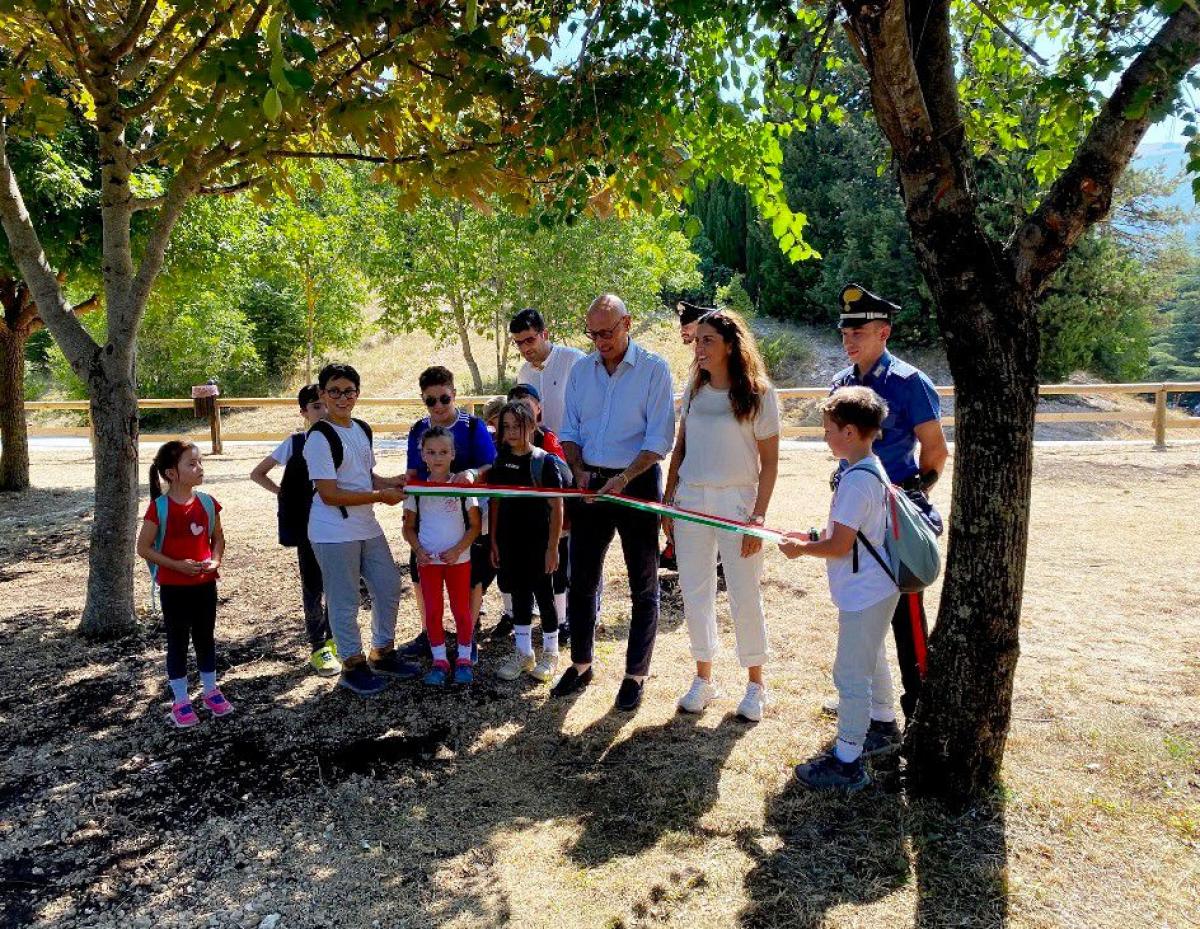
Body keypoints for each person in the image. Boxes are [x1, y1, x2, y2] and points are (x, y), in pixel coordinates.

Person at [828, 284, 948, 730]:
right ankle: (870, 701)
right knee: (862, 606)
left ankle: (918, 707)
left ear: (884, 332)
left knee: (906, 617)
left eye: (858, 330)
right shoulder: (842, 384)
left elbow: (935, 450)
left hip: (895, 515)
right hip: (853, 511)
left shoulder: (908, 382)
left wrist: (916, 497)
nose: (849, 339)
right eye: (845, 332)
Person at [553, 294, 675, 710]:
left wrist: (623, 478)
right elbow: (567, 428)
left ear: (628, 323)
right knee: (582, 579)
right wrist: (579, 468)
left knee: (644, 583)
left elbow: (660, 440)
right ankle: (582, 664)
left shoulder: (655, 370)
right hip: (589, 484)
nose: (599, 341)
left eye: (607, 332)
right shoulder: (581, 371)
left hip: (637, 484)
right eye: (593, 334)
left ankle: (635, 675)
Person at [779, 387, 901, 791]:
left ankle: (847, 761)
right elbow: (851, 532)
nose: (825, 436)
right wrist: (811, 534)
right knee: (872, 657)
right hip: (877, 588)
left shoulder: (855, 482)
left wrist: (802, 550)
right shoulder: (868, 468)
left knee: (850, 674)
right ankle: (883, 720)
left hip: (866, 592)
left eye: (829, 429)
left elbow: (840, 545)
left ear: (849, 431)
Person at [662, 310, 779, 722]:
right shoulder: (693, 390)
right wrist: (668, 499)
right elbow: (680, 449)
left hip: (737, 504)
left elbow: (770, 464)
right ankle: (703, 678)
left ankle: (755, 685)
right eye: (697, 340)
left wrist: (758, 519)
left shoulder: (760, 394)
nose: (700, 347)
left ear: (731, 344)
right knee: (695, 592)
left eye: (708, 340)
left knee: (745, 593)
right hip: (691, 500)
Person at [304, 362, 415, 697]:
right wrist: (382, 496)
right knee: (344, 599)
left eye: (349, 391)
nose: (342, 397)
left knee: (388, 585)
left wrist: (390, 482)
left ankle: (382, 651)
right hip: (332, 531)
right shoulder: (319, 437)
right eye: (334, 391)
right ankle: (352, 665)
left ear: (357, 394)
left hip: (365, 525)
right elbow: (329, 492)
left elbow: (364, 476)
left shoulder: (361, 429)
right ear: (322, 394)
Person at [400, 366, 497, 658]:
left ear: (453, 394)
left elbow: (490, 466)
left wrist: (470, 473)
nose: (438, 406)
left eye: (444, 398)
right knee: (422, 574)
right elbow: (413, 472)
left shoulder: (472, 426)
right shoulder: (418, 429)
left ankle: (469, 636)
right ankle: (431, 635)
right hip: (428, 517)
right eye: (431, 400)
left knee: (471, 576)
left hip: (469, 513)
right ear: (423, 400)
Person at [137, 441, 232, 728]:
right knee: (177, 642)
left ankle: (211, 691)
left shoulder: (207, 502)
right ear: (171, 473)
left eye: (200, 462)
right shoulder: (159, 508)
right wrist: (177, 566)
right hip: (174, 588)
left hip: (205, 584)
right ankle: (180, 701)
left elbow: (218, 540)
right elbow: (143, 548)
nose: (199, 468)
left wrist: (215, 561)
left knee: (206, 638)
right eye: (191, 464)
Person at [249, 384, 340, 678]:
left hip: (339, 525)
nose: (323, 410)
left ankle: (336, 638)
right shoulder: (296, 442)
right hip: (307, 528)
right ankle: (318, 645)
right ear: (304, 412)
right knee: (314, 585)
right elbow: (258, 473)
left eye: (325, 403)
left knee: (339, 583)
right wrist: (283, 494)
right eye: (315, 406)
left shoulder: (344, 437)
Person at [490, 401, 565, 683]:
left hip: (539, 544)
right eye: (506, 427)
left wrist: (552, 547)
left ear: (531, 426)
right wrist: (495, 540)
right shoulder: (500, 460)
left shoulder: (544, 462)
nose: (511, 432)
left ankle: (551, 653)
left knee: (544, 596)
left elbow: (557, 506)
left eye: (517, 426)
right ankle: (523, 653)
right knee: (519, 596)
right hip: (510, 543)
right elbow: (496, 501)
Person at [402, 427, 482, 687]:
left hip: (459, 561)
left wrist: (458, 549)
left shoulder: (462, 487)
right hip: (428, 563)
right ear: (422, 455)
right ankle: (439, 660)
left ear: (453, 454)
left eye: (444, 452)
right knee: (433, 611)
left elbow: (475, 526)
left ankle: (463, 658)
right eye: (431, 452)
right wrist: (418, 551)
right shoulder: (416, 489)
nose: (437, 457)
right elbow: (408, 528)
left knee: (461, 610)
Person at [507, 382, 571, 637]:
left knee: (555, 575)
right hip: (521, 528)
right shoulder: (505, 448)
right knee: (524, 580)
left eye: (527, 406)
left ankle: (562, 621)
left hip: (553, 524)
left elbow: (563, 481)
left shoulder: (548, 440)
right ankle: (517, 619)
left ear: (538, 409)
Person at [511, 307, 585, 434]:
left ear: (544, 334)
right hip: (540, 451)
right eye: (519, 343)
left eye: (530, 340)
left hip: (573, 449)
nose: (524, 348)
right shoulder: (524, 373)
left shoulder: (573, 360)